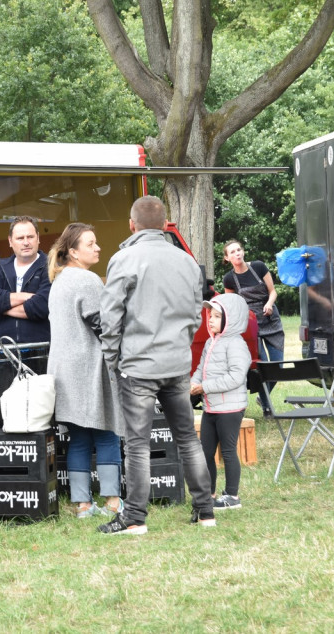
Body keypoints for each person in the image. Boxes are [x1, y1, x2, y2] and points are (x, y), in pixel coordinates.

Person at [98, 196, 215, 535]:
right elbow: (197, 313)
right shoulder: (186, 261)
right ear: (165, 226)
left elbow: (111, 316)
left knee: (137, 444)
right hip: (177, 363)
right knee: (187, 440)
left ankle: (134, 517)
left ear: (131, 225)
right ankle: (205, 511)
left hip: (137, 365)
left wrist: (111, 359)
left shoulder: (123, 259)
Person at [47, 223, 123, 518]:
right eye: (91, 244)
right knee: (107, 432)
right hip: (90, 368)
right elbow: (103, 327)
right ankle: (113, 503)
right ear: (73, 252)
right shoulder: (88, 280)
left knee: (78, 437)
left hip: (64, 371)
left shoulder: (59, 281)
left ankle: (82, 505)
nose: (98, 248)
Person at [190, 293, 252, 511]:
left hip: (230, 408)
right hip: (211, 407)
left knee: (227, 451)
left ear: (231, 319)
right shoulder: (210, 342)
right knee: (206, 452)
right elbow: (200, 369)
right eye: (210, 315)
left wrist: (203, 387)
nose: (211, 319)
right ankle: (209, 494)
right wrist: (193, 383)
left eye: (217, 316)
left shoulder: (236, 344)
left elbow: (236, 377)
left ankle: (232, 496)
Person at [0, 215, 51, 343]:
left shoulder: (51, 268)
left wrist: (2, 308)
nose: (26, 242)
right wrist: (27, 297)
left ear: (38, 238)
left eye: (30, 237)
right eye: (20, 238)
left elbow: (42, 306)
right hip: (5, 351)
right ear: (10, 241)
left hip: (42, 351)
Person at [222, 240, 284, 363]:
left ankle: (267, 383)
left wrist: (269, 304)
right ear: (227, 258)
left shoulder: (258, 266)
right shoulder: (228, 279)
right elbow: (231, 305)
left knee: (278, 368)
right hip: (251, 325)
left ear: (243, 252)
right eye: (232, 252)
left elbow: (273, 292)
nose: (237, 254)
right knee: (263, 367)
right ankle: (260, 383)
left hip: (271, 320)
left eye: (239, 250)